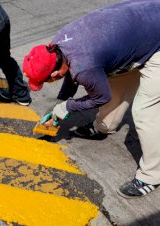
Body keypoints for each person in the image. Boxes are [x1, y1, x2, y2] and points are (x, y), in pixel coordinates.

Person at [22, 0, 160, 198]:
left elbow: (99, 96)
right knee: (113, 83)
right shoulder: (58, 43)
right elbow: (70, 72)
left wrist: (67, 106)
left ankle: (152, 176)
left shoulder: (84, 65)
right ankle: (104, 127)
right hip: (141, 27)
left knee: (145, 113)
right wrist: (58, 106)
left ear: (53, 75)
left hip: (156, 41)